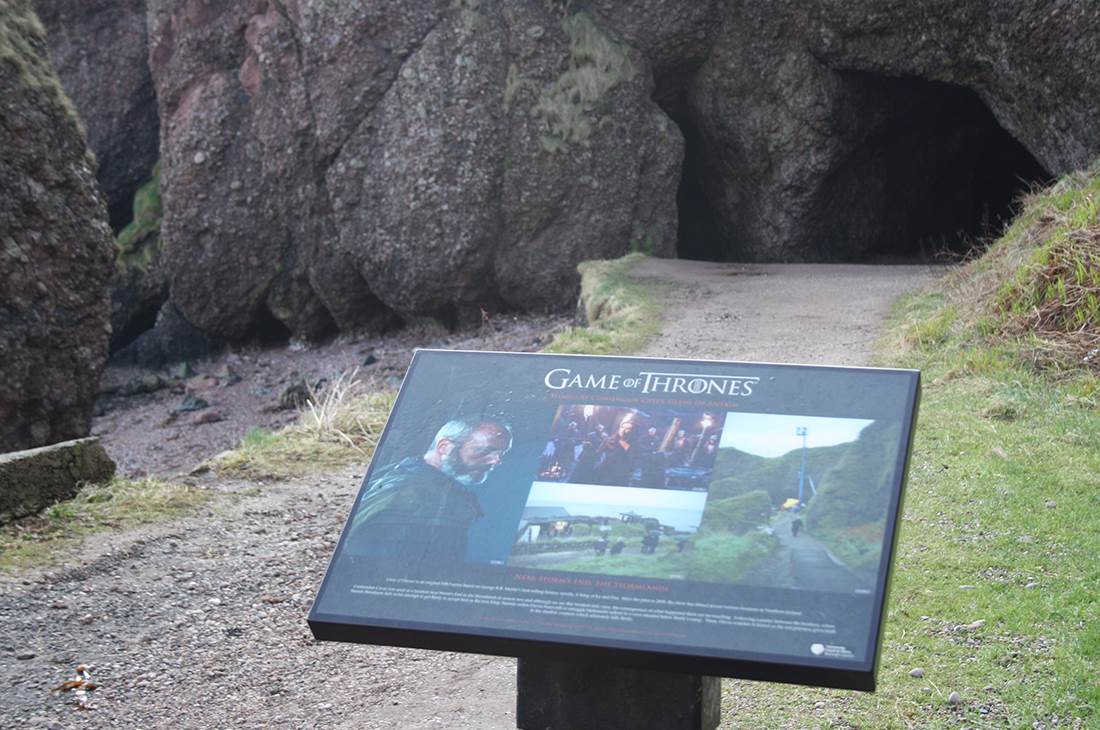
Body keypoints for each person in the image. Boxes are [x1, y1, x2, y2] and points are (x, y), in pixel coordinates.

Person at [344, 418, 512, 565]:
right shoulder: (405, 490)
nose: (497, 460)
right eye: (485, 450)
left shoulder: (440, 488)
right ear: (444, 447)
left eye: (500, 453)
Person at [592, 417, 637, 486]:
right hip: (605, 471)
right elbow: (597, 453)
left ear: (632, 431)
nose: (624, 430)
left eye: (628, 429)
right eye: (622, 427)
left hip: (620, 475)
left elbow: (632, 458)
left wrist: (621, 441)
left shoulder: (634, 444)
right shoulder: (609, 440)